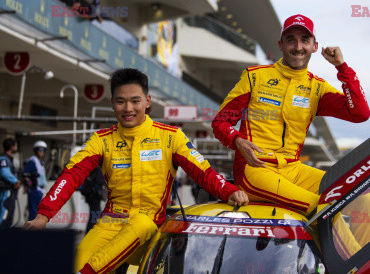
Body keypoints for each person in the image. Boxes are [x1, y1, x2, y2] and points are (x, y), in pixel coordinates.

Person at [24, 68, 249, 274]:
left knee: (140, 225)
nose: (128, 108)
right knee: (76, 261)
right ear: (112, 103)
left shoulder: (171, 137)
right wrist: (43, 216)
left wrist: (229, 191)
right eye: (121, 102)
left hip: (149, 231)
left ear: (147, 101)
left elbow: (204, 172)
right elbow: (70, 176)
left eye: (135, 101)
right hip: (109, 225)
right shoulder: (101, 140)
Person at [212, 14, 370, 254]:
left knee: (366, 201)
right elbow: (220, 123)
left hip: (293, 168)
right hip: (255, 170)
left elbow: (360, 113)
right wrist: (237, 141)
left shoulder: (317, 88)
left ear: (314, 46)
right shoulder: (254, 76)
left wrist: (342, 67)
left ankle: (362, 260)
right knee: (323, 208)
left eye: (304, 40)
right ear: (280, 45)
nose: (298, 47)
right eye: (291, 40)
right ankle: (360, 268)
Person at [24, 140, 48, 221]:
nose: (42, 152)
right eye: (40, 150)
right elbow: (26, 175)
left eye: (43, 150)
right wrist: (29, 184)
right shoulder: (32, 161)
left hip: (40, 190)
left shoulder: (40, 162)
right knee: (33, 213)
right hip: (34, 190)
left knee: (38, 213)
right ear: (36, 150)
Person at [0, 138, 21, 227]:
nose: (16, 147)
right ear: (12, 147)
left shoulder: (9, 159)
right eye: (15, 145)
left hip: (11, 191)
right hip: (6, 191)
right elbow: (4, 172)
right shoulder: (3, 159)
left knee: (10, 216)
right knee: (4, 214)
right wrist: (16, 181)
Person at [80, 166, 106, 233]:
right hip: (94, 196)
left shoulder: (92, 168)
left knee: (94, 215)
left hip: (91, 196)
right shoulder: (96, 169)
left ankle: (90, 233)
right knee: (95, 215)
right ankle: (90, 233)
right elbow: (100, 181)